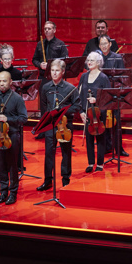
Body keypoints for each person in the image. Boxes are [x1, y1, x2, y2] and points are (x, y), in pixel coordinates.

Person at [36, 60, 80, 191]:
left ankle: (66, 180)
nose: (54, 73)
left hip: (65, 125)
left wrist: (63, 111)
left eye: (57, 71)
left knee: (66, 153)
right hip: (51, 125)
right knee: (49, 153)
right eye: (52, 71)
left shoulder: (70, 89)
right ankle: (48, 180)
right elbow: (44, 106)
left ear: (63, 72)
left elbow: (77, 106)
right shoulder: (45, 87)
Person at [0, 71, 28, 205]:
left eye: (4, 81)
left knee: (12, 165)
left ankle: (13, 192)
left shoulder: (17, 98)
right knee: (0, 165)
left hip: (12, 136)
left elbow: (23, 118)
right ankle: (3, 192)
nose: (1, 84)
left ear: (10, 82)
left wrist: (8, 119)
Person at [78, 52, 111, 173]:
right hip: (87, 112)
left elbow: (108, 96)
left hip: (99, 112)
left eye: (92, 60)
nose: (89, 62)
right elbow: (79, 95)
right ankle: (91, 162)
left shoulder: (103, 78)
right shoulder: (83, 76)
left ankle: (100, 163)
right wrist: (81, 111)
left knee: (100, 137)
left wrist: (96, 100)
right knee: (89, 138)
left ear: (98, 62)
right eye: (88, 60)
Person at [32, 21, 68, 90]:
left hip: (56, 77)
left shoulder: (60, 44)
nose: (46, 30)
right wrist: (40, 65)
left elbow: (64, 61)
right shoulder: (40, 43)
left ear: (54, 30)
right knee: (43, 96)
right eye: (45, 29)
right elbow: (34, 60)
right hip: (43, 77)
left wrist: (50, 65)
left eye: (49, 28)